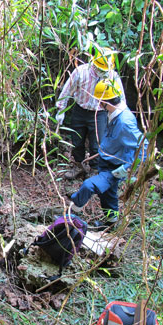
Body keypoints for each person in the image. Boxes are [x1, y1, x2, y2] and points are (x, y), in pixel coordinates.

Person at [68, 79, 148, 229]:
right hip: (106, 161)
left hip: (115, 168)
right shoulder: (114, 113)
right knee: (108, 195)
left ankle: (70, 213)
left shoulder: (124, 122)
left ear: (107, 102)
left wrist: (128, 167)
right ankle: (111, 224)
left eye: (100, 101)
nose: (98, 105)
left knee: (88, 186)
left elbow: (143, 147)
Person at [56, 46, 125, 179]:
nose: (101, 72)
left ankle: (94, 170)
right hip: (80, 110)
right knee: (77, 141)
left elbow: (121, 98)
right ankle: (78, 166)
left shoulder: (112, 76)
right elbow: (67, 90)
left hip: (100, 113)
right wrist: (61, 109)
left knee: (97, 144)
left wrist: (119, 118)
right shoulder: (81, 72)